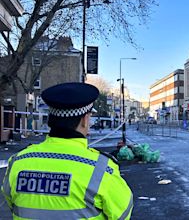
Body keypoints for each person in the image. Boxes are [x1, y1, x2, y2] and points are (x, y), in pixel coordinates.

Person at [1, 82, 133, 219]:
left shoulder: (18, 162)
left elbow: (11, 203)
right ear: (84, 120)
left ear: (50, 120)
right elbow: (123, 214)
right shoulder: (102, 169)